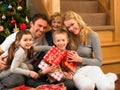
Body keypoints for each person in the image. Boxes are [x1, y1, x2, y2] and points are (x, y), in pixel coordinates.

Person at [62, 11, 117, 90]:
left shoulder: (92, 35)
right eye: (68, 27)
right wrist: (66, 72)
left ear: (78, 21)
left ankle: (110, 77)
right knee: (87, 86)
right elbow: (64, 57)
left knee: (107, 88)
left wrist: (80, 59)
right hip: (77, 71)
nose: (71, 29)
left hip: (92, 68)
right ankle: (102, 78)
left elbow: (99, 61)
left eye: (72, 24)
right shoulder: (67, 37)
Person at [26, 12, 76, 90]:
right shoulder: (45, 35)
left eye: (58, 22)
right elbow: (38, 71)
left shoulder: (68, 51)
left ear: (67, 40)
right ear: (54, 41)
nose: (61, 43)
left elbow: (70, 67)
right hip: (45, 69)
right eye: (58, 41)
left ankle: (50, 87)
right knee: (29, 81)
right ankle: (50, 86)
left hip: (59, 76)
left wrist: (67, 73)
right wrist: (45, 70)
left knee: (70, 84)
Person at [0, 13, 49, 89]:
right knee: (19, 78)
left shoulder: (42, 37)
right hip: (9, 69)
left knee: (32, 74)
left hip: (23, 69)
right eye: (39, 26)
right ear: (31, 23)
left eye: (44, 27)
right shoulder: (18, 36)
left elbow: (42, 48)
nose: (42, 30)